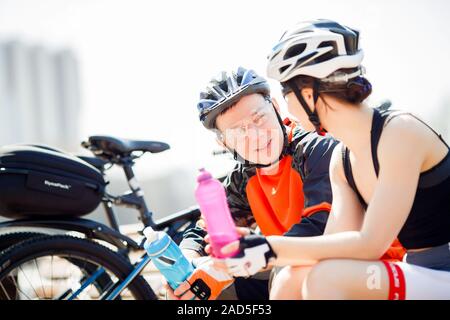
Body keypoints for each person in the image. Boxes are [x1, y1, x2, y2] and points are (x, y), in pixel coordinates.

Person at [216, 19, 450, 300]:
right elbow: (333, 245)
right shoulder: (342, 158)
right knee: (296, 274)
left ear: (307, 94)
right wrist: (259, 250)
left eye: (285, 93)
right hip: (421, 274)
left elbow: (370, 245)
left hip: (443, 271)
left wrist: (268, 248)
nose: (285, 107)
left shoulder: (399, 131)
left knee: (326, 278)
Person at [164, 66, 338, 300]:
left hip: (334, 273)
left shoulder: (315, 150)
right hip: (281, 270)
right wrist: (188, 267)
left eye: (259, 118)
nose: (255, 135)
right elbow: (205, 230)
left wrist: (233, 263)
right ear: (225, 144)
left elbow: (320, 227)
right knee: (198, 293)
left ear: (275, 108)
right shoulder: (243, 177)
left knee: (281, 271)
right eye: (238, 132)